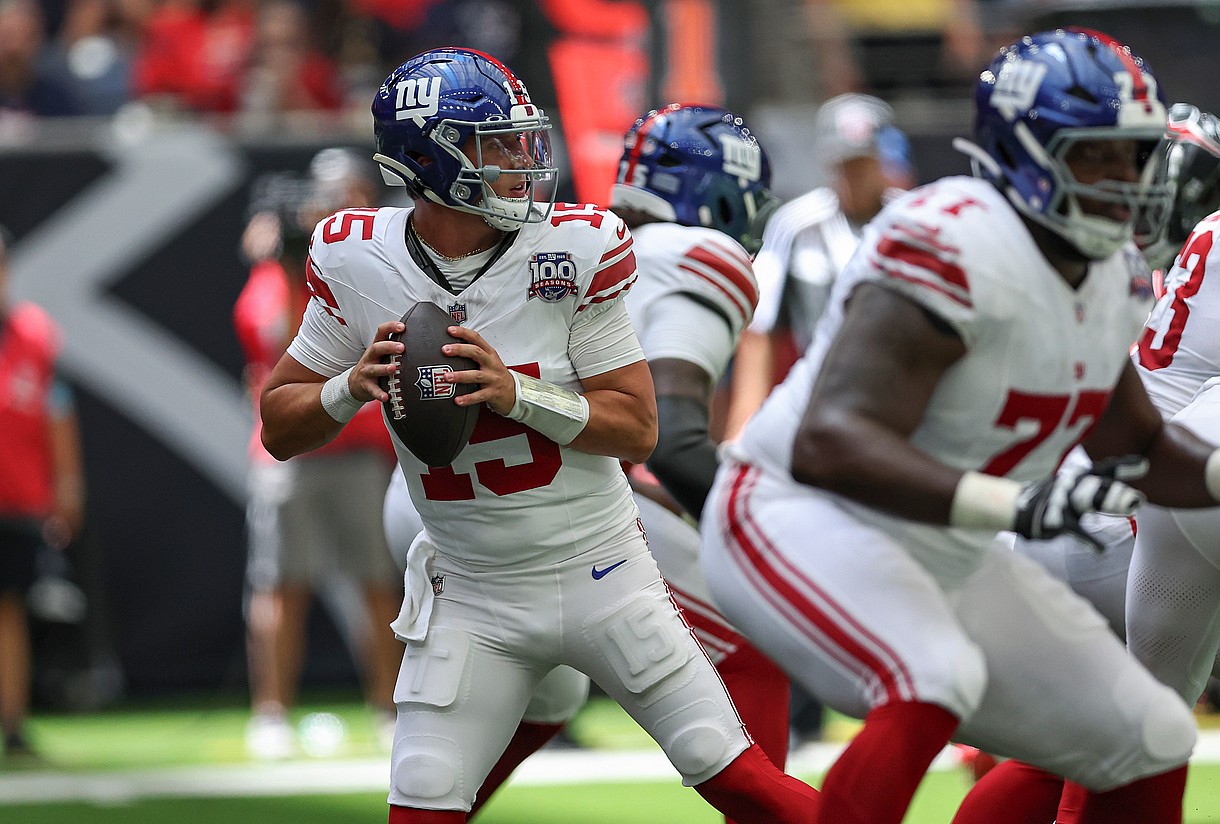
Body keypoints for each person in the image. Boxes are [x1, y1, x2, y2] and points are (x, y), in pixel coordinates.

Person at [258, 47, 820, 822]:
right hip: (472, 589)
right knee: (421, 803)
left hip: (601, 572)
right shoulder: (358, 256)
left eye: (520, 139)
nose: (521, 160)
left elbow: (639, 425)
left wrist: (517, 392)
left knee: (739, 780)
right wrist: (347, 386)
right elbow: (279, 422)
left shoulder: (574, 246)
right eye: (493, 144)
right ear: (428, 158)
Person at [699, 27, 1220, 824]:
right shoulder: (954, 237)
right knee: (929, 673)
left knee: (1146, 732)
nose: (1129, 180)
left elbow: (1138, 446)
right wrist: (1010, 506)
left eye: (1137, 154)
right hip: (795, 514)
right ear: (1024, 151)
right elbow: (830, 442)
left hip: (949, 542)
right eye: (1099, 156)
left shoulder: (1110, 265)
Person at [974, 102, 1220, 822]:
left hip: (1089, 515)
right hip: (1130, 514)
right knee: (1138, 734)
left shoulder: (1160, 258)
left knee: (1114, 739)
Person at [235, 150, 401, 760]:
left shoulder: (377, 264)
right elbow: (273, 335)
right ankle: (271, 711)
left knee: (379, 582)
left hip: (359, 447)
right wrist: (281, 259)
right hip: (292, 454)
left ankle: (388, 708)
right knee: (281, 583)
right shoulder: (283, 270)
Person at [726, 93, 909, 464]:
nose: (850, 177)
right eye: (842, 164)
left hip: (902, 392)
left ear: (883, 160)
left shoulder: (912, 220)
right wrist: (742, 427)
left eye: (861, 163)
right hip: (818, 392)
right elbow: (759, 334)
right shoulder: (797, 224)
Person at [0, 227, 86, 758]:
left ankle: (12, 723)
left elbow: (57, 411)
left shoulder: (34, 334)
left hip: (17, 499)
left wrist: (67, 485)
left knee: (9, 610)